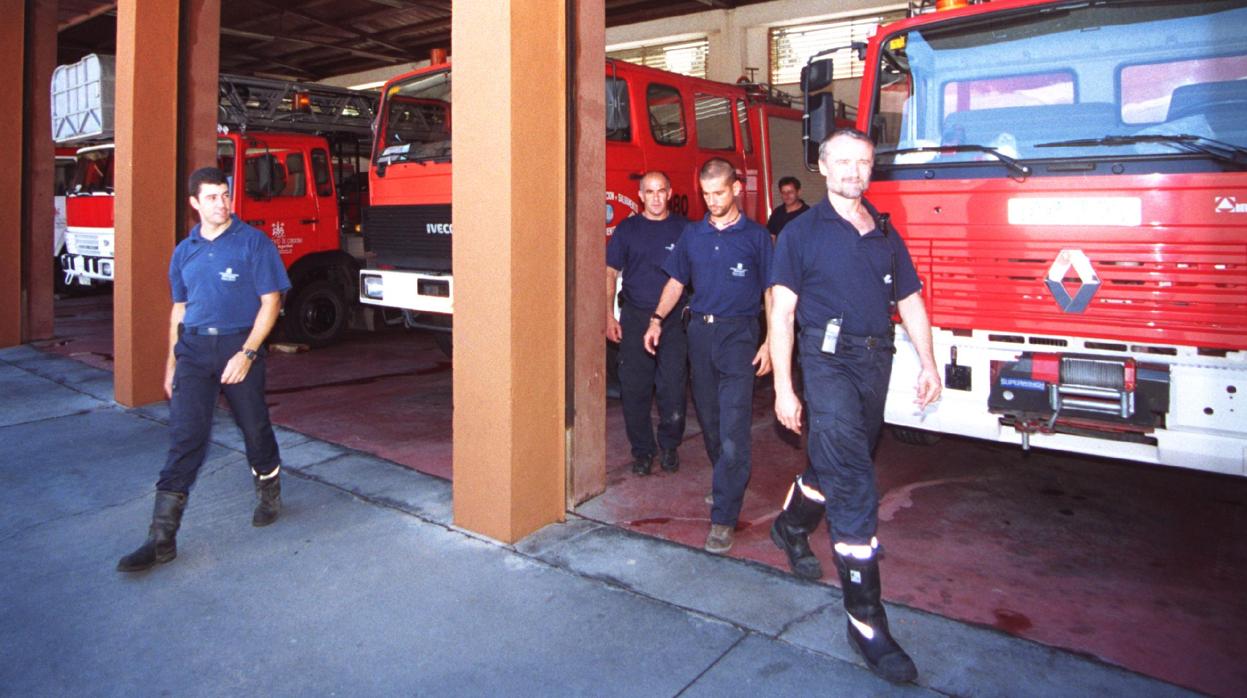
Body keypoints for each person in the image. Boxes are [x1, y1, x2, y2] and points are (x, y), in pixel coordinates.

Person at [767, 128, 941, 683]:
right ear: (821, 166)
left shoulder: (885, 232)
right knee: (855, 484)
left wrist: (930, 363)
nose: (853, 171)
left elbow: (910, 299)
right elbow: (782, 312)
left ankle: (792, 526)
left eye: (863, 162)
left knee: (839, 461)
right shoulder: (800, 233)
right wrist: (783, 388)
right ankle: (867, 622)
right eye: (842, 161)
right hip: (828, 362)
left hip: (876, 361)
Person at [117, 166, 292, 573]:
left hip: (237, 346)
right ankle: (161, 541)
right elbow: (179, 308)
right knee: (185, 439)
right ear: (195, 203)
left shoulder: (254, 243)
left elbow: (271, 302)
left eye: (225, 194)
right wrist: (171, 362)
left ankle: (269, 491)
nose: (222, 203)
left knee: (254, 428)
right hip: (193, 349)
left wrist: (248, 353)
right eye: (212, 197)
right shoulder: (185, 251)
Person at [644, 158, 772, 555]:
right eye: (706, 194)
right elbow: (676, 281)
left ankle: (723, 517)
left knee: (734, 425)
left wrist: (771, 343)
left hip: (740, 334)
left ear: (735, 189)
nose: (712, 201)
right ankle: (727, 480)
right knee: (712, 421)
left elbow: (772, 292)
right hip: (699, 331)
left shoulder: (757, 237)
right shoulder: (693, 236)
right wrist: (656, 318)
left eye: (719, 193)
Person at [606, 171, 689, 476]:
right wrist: (607, 315)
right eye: (649, 191)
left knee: (672, 387)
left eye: (661, 191)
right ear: (640, 195)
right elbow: (610, 273)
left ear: (670, 193)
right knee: (635, 390)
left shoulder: (685, 229)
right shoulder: (627, 230)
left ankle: (669, 445)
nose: (655, 197)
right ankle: (642, 451)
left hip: (673, 321)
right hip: (635, 318)